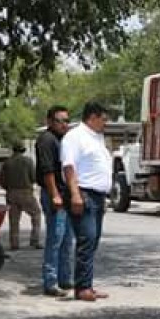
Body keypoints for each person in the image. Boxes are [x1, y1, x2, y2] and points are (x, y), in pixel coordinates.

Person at [61, 101, 113, 303]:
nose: (105, 123)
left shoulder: (97, 138)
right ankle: (82, 288)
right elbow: (69, 167)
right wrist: (75, 194)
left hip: (97, 196)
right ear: (92, 117)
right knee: (87, 239)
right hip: (83, 194)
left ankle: (87, 284)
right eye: (103, 119)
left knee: (93, 241)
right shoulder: (75, 137)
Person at [35, 105, 75, 297]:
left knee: (68, 239)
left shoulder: (63, 140)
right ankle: (50, 281)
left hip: (65, 194)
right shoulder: (47, 140)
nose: (64, 124)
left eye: (67, 120)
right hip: (55, 193)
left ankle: (65, 278)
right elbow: (48, 171)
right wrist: (55, 195)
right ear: (49, 122)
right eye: (60, 120)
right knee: (56, 238)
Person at [0, 142, 41, 251]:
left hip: (11, 193)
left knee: (14, 220)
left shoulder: (7, 163)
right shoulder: (28, 161)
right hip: (26, 192)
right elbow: (33, 177)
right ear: (23, 150)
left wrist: (8, 188)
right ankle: (34, 240)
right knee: (36, 214)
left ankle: (14, 244)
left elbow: (1, 180)